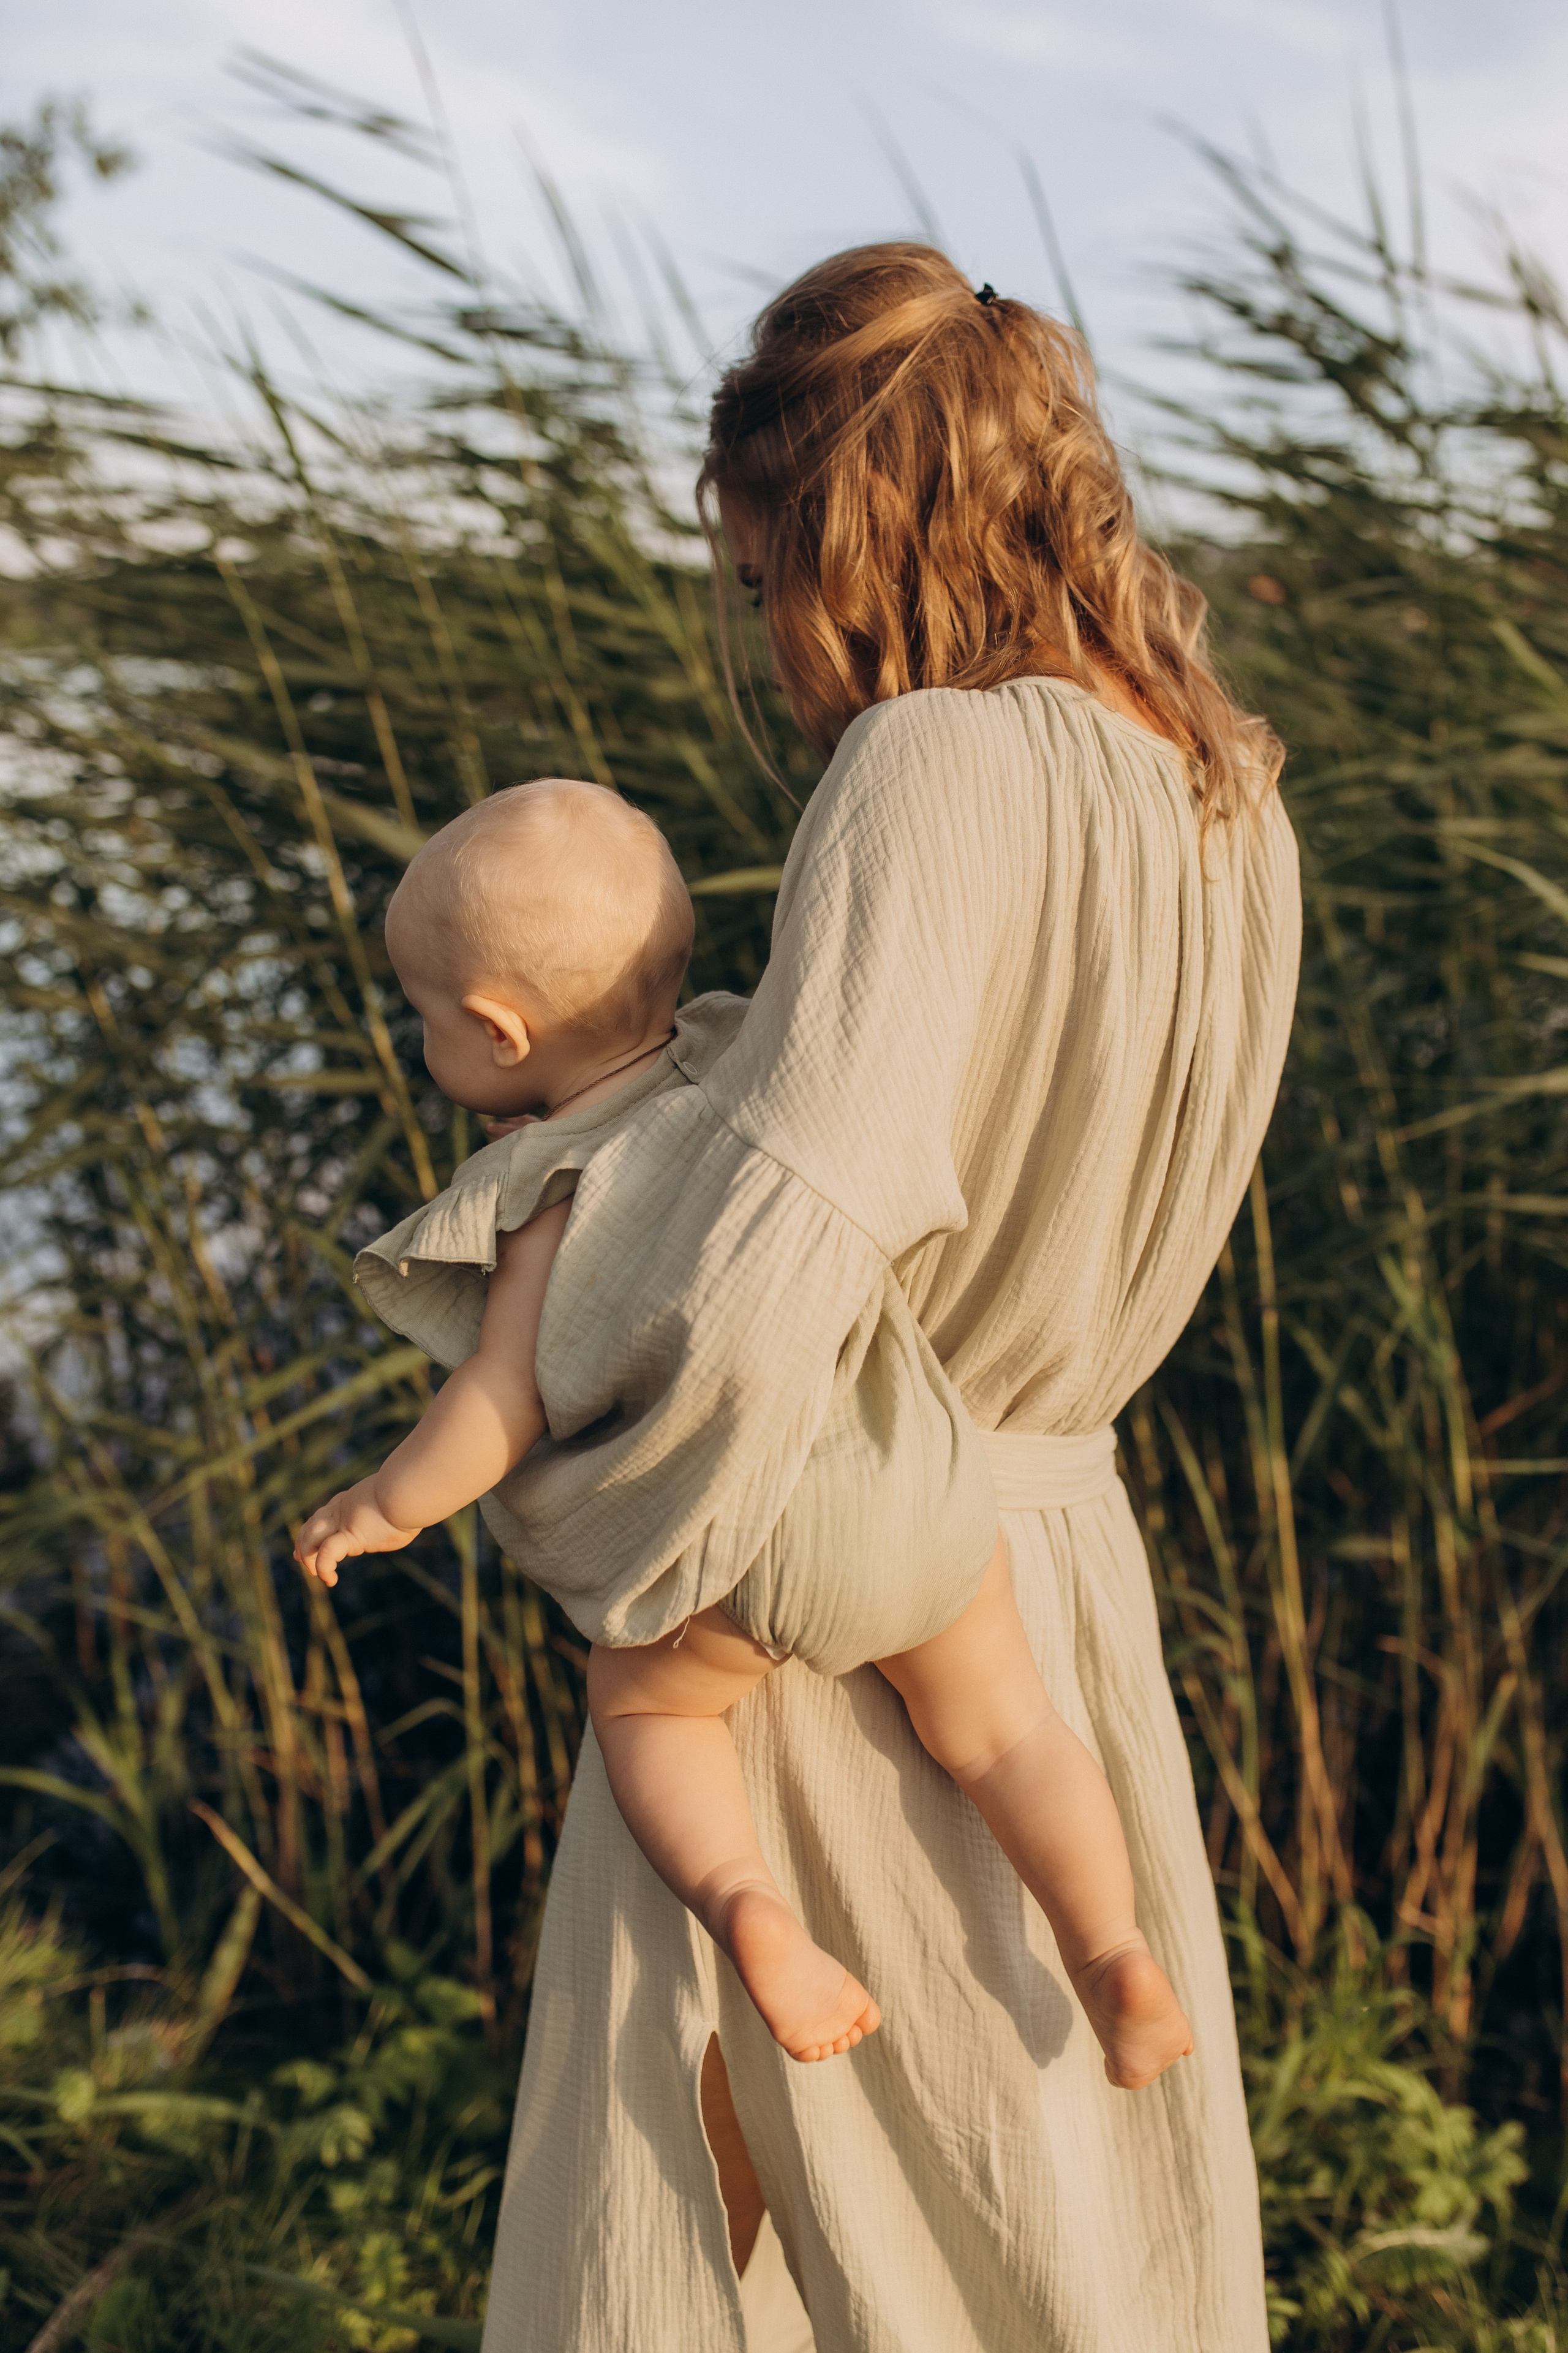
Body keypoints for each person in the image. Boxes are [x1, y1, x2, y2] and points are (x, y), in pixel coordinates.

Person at [396, 243, 1298, 2351]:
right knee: (1055, 2218)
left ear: (845, 527)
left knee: (785, 2244)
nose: (769, 628)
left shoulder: (929, 766)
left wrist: (598, 1527)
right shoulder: (1226, 795)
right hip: (1046, 1579)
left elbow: (785, 1247)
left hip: (825, 1585)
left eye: (760, 569)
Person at [296, 777, 1193, 2088]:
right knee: (1008, 1728)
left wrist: (384, 1506)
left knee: (645, 1706)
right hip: (912, 1492)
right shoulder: (753, 1059)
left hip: (743, 1538)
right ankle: (1114, 1951)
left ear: (495, 1031)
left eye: (427, 1018)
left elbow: (502, 1394)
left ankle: (752, 1909)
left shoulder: (548, 1190)